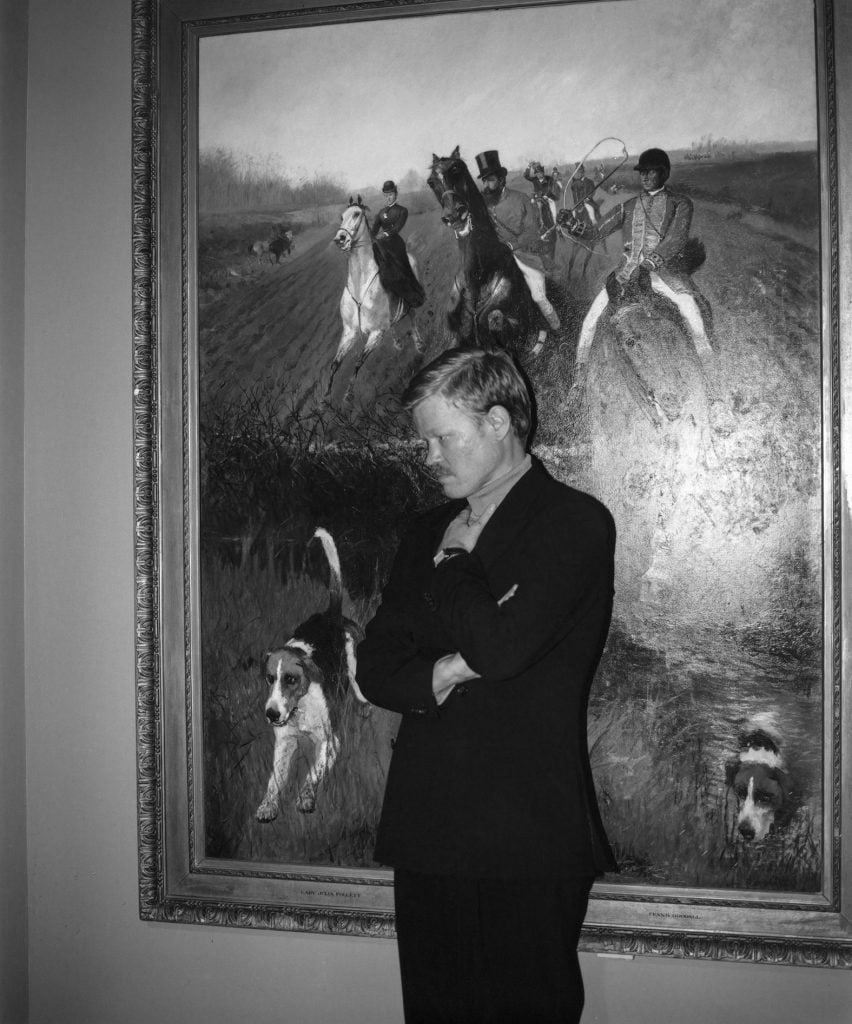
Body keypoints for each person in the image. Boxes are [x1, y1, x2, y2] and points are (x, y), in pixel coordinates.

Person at [357, 348, 617, 1024]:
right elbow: (376, 665)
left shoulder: (575, 523)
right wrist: (443, 671)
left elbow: (500, 650)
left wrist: (452, 564)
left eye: (443, 436)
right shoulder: (422, 531)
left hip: (528, 834)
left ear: (499, 422)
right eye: (424, 440)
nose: (428, 455)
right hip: (428, 827)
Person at [558, 147, 714, 371]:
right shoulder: (628, 206)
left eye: (651, 172)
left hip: (662, 274)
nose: (645, 177)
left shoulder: (680, 204)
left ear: (664, 174)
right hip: (625, 275)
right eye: (642, 172)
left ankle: (712, 381)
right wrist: (571, 224)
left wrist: (649, 264)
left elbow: (675, 239)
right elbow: (596, 232)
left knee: (692, 312)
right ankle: (579, 380)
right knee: (589, 321)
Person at [475, 150, 561, 332]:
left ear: (501, 179)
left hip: (524, 256)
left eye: (490, 179)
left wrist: (511, 246)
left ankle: (557, 328)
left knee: (538, 297)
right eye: (484, 180)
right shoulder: (483, 204)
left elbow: (531, 232)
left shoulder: (520, 199)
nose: (486, 185)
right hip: (498, 260)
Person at [371, 179, 425, 309]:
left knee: (402, 267)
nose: (388, 197)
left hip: (395, 244)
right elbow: (374, 230)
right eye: (386, 195)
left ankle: (411, 294)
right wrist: (370, 236)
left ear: (396, 194)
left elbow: (397, 228)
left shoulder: (402, 211)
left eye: (391, 194)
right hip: (381, 244)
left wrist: (385, 234)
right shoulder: (381, 212)